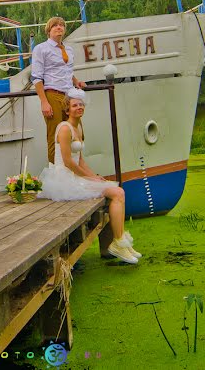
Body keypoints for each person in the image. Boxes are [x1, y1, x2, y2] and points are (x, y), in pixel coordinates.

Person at [37, 89, 141, 264]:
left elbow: (81, 160)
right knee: (118, 193)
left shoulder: (78, 127)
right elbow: (69, 162)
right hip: (65, 179)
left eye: (81, 104)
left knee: (116, 190)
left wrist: (95, 177)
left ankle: (121, 242)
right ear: (67, 110)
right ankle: (117, 243)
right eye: (74, 105)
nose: (79, 107)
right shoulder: (64, 128)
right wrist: (89, 179)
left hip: (76, 176)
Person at [31, 17, 86, 164]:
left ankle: (75, 167)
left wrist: (76, 82)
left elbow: (67, 70)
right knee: (55, 136)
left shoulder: (68, 49)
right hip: (52, 94)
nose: (59, 27)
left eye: (62, 25)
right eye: (55, 25)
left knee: (75, 132)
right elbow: (36, 77)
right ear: (49, 30)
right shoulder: (41, 49)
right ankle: (56, 172)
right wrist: (44, 102)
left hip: (69, 96)